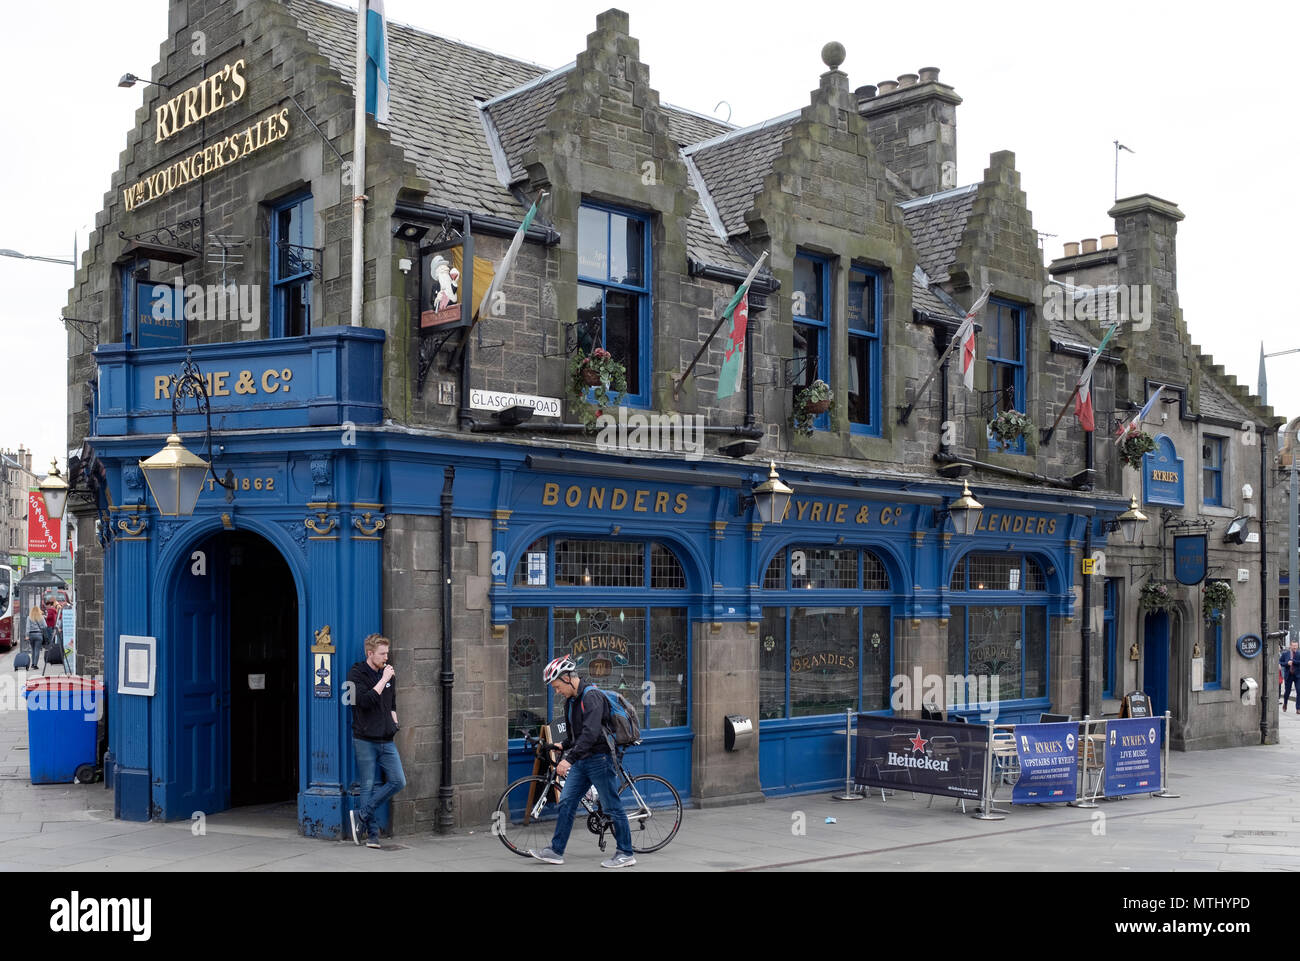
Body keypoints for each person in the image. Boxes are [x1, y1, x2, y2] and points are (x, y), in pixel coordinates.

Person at [529, 656, 635, 868]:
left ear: (568, 678)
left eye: (558, 687)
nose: (557, 692)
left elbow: (590, 733)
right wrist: (564, 745)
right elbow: (577, 735)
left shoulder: (591, 697)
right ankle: (556, 851)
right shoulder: (571, 701)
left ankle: (625, 852)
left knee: (612, 806)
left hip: (600, 758)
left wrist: (568, 760)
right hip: (583, 760)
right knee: (567, 801)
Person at [347, 633, 406, 848]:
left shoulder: (388, 674)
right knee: (368, 786)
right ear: (370, 653)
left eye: (387, 653)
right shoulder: (357, 673)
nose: (386, 658)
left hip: (386, 738)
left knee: (399, 781)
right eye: (382, 654)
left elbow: (392, 703)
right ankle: (372, 836)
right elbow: (363, 701)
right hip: (365, 739)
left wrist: (395, 722)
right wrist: (383, 680)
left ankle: (362, 814)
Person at [1281, 639, 1300, 712]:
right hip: (1289, 675)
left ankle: (1298, 708)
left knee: (1299, 691)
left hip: (1298, 676)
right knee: (1287, 692)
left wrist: (1293, 661)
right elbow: (1280, 661)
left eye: (1296, 646)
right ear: (1290, 646)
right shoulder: (1285, 654)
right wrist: (1287, 663)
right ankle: (1285, 703)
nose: (1295, 647)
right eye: (1293, 646)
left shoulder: (1299, 653)